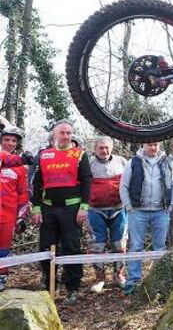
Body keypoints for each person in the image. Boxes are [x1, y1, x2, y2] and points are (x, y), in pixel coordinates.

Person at [31, 119, 92, 304]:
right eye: (62, 133)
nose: (65, 136)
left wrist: (84, 207)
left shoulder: (80, 154)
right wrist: (35, 208)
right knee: (46, 247)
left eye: (68, 133)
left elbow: (87, 180)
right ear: (54, 135)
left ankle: (72, 288)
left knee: (71, 248)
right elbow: (37, 184)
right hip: (48, 208)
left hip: (71, 209)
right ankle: (50, 284)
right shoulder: (44, 155)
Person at [120, 141, 173, 295]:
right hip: (138, 211)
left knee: (160, 247)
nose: (153, 148)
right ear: (143, 146)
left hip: (161, 211)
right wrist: (129, 207)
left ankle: (158, 280)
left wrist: (171, 205)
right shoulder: (133, 162)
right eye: (150, 145)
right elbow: (124, 186)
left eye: (156, 145)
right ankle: (133, 281)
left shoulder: (168, 162)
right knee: (136, 246)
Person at [87, 136, 128, 293]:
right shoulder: (88, 164)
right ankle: (99, 278)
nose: (104, 151)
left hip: (118, 208)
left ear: (112, 148)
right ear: (95, 149)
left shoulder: (122, 162)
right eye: (101, 148)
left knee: (120, 243)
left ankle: (118, 275)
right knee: (97, 244)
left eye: (107, 148)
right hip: (95, 210)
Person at [0, 126, 29, 292]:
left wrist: (21, 217)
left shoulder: (20, 168)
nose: (10, 143)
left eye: (13, 141)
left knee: (3, 248)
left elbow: (23, 194)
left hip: (8, 214)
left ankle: (1, 278)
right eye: (6, 140)